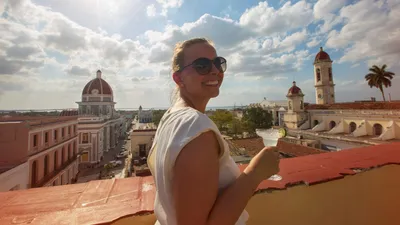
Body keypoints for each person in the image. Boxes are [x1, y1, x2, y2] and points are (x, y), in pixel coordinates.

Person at [147, 37, 280, 225]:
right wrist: (254, 173)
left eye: (218, 63)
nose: (215, 71)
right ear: (179, 78)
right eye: (202, 65)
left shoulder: (171, 117)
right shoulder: (194, 126)